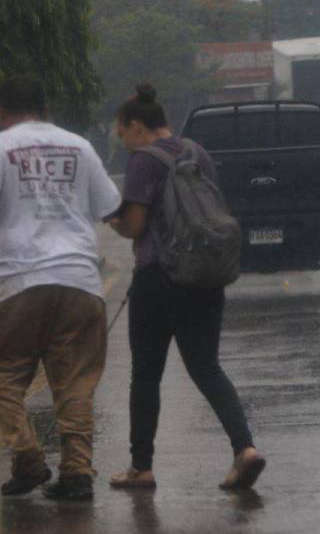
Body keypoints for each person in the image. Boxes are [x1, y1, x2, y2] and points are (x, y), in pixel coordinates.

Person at [107, 84, 265, 491]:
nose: (124, 143)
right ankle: (244, 448)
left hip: (158, 278)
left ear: (135, 125)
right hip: (204, 275)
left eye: (122, 134)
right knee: (207, 367)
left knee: (145, 374)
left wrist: (115, 220)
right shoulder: (197, 152)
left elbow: (136, 225)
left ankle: (141, 468)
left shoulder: (143, 161)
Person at [0, 75, 121, 501]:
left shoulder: (1, 148)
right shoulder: (80, 147)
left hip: (19, 283)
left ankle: (29, 458)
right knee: (75, 384)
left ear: (3, 111)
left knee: (6, 378)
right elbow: (110, 208)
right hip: (80, 282)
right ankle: (76, 472)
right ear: (44, 106)